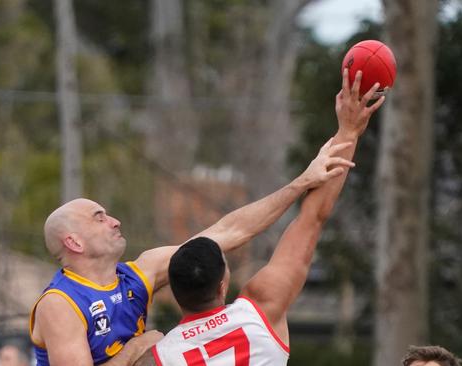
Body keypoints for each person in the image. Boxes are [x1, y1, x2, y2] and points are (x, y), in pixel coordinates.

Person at [28, 74, 364, 366]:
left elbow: (231, 229)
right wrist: (136, 348)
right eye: (98, 217)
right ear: (74, 242)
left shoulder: (143, 286)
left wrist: (300, 183)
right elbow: (309, 221)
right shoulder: (62, 303)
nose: (114, 221)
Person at [133, 70, 384, 366]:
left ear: (174, 292)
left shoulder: (155, 358)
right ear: (223, 284)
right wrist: (349, 131)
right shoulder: (261, 308)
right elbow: (312, 218)